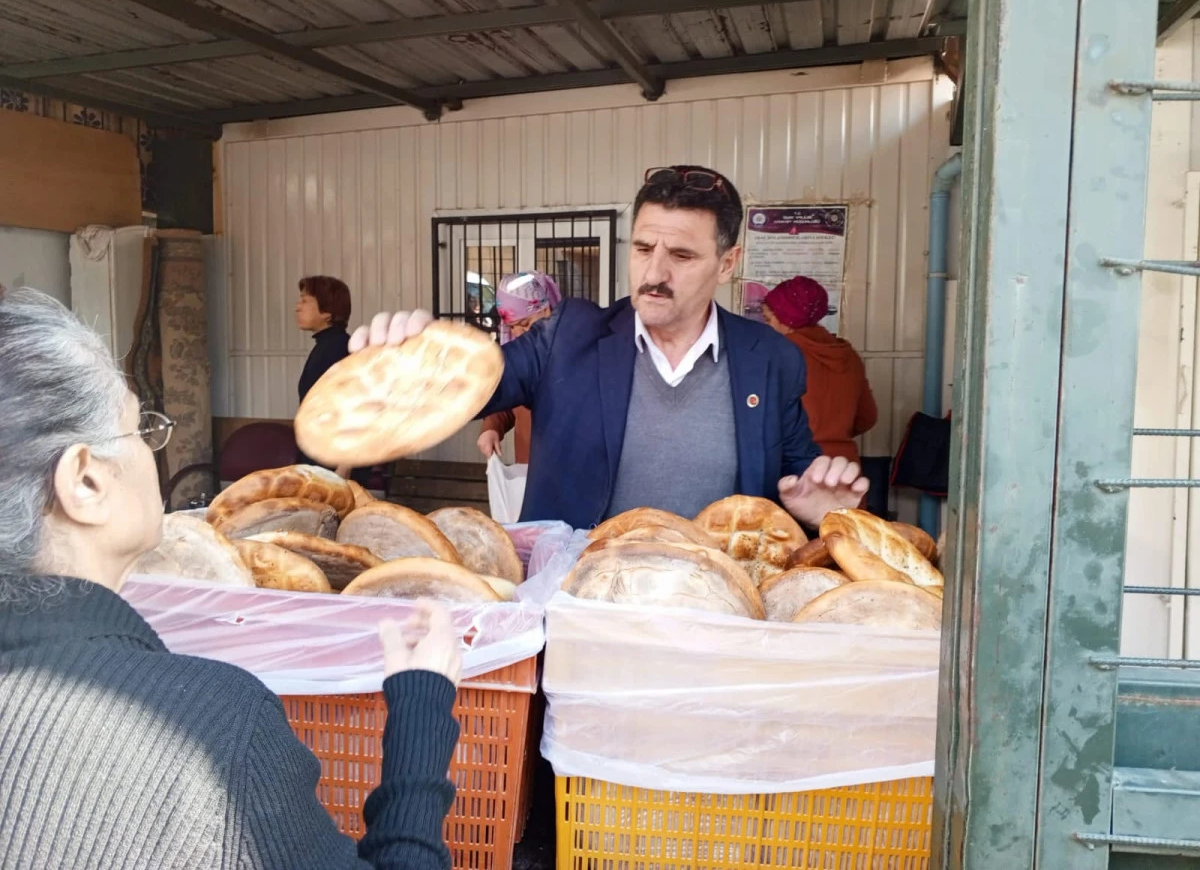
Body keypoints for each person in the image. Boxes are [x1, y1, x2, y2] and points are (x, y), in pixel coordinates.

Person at [0, 287, 462, 870]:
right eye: (139, 427)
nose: (153, 449)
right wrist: (422, 706)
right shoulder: (209, 730)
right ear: (86, 482)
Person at [349, 165, 867, 531]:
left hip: (711, 615)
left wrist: (825, 512)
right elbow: (464, 388)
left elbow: (799, 477)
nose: (655, 274)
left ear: (727, 263)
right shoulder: (571, 334)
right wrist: (402, 367)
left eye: (682, 255)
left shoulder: (768, 357)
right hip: (579, 609)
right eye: (643, 249)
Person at [762, 275, 877, 464]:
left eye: (768, 319)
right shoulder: (848, 355)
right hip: (843, 467)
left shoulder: (778, 356)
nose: (766, 327)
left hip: (794, 467)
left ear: (786, 319)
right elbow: (867, 417)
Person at [477, 272, 563, 463]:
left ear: (547, 310)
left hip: (566, 466)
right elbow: (510, 397)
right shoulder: (517, 355)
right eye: (512, 326)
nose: (519, 332)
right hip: (529, 468)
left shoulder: (571, 350)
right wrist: (492, 427)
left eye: (525, 323)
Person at [294, 275, 370, 484]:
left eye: (305, 300)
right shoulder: (326, 346)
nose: (297, 307)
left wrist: (344, 467)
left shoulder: (338, 349)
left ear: (327, 312)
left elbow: (357, 408)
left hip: (336, 464)